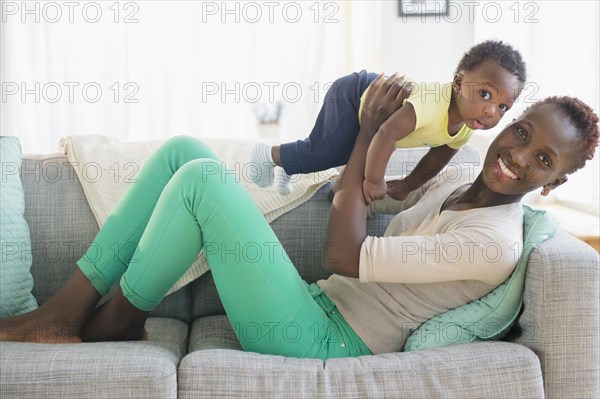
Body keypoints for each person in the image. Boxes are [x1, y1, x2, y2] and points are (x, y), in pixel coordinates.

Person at [1, 75, 598, 359]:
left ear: (558, 180)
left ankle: (104, 323)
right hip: (315, 306)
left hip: (324, 341)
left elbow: (345, 256)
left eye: (542, 159)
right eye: (520, 131)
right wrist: (384, 127)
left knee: (202, 183)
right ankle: (68, 311)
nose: (516, 156)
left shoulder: (492, 242)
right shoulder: (453, 183)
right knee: (186, 150)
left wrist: (368, 133)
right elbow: (361, 191)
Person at [248, 40, 527, 203]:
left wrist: (407, 185)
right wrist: (374, 180)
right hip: (355, 93)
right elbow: (385, 134)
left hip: (365, 108)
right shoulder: (433, 103)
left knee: (331, 151)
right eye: (485, 94)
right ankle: (268, 154)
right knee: (331, 152)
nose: (491, 111)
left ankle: (291, 162)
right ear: (458, 83)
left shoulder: (465, 128)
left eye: (502, 106)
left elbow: (435, 160)